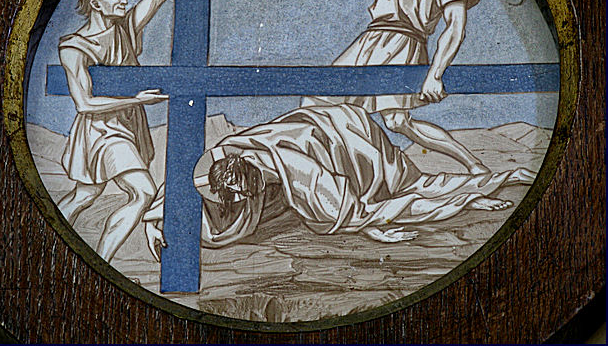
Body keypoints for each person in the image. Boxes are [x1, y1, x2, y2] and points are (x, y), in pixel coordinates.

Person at [143, 104, 534, 251]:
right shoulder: (223, 158)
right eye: (234, 193)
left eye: (243, 190)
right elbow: (178, 188)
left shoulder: (299, 171)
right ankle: (478, 189)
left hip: (349, 143)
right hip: (321, 129)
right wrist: (151, 221)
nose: (241, 198)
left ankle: (477, 189)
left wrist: (370, 226)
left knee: (402, 192)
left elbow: (351, 210)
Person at [302, 0, 489, 175]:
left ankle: (473, 164)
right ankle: (326, 171)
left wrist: (435, 75)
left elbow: (454, 29)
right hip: (368, 42)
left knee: (396, 121)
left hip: (404, 45)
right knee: (316, 100)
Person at [56, 0, 183, 262]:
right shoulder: (74, 47)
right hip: (101, 129)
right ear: (96, 4)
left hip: (127, 123)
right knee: (142, 192)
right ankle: (101, 264)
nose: (123, 0)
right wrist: (136, 99)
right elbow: (84, 104)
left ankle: (79, 261)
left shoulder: (125, 28)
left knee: (85, 195)